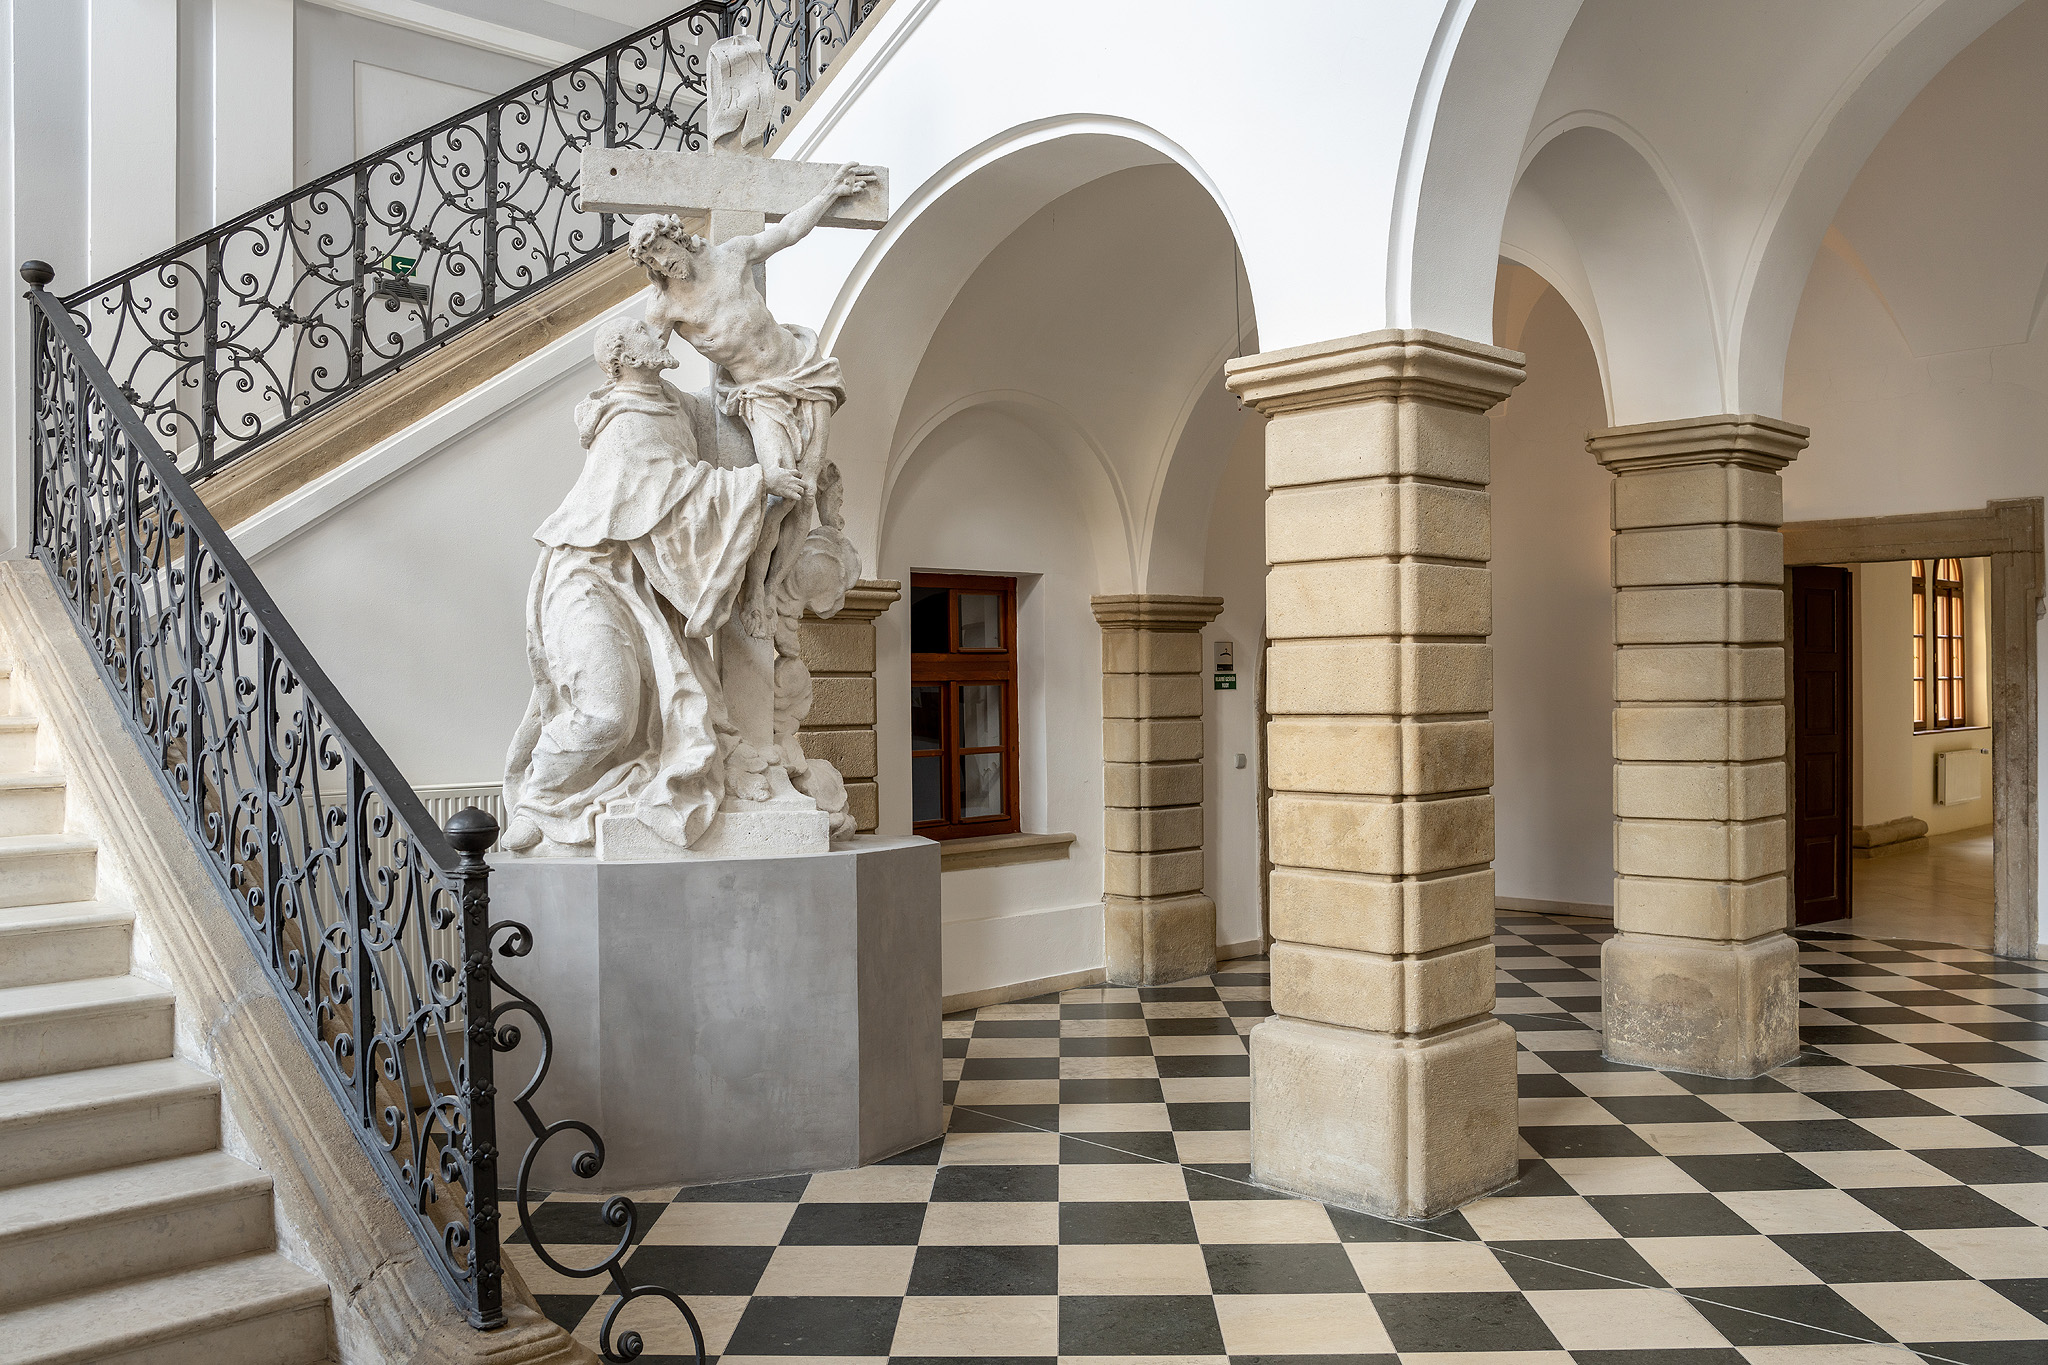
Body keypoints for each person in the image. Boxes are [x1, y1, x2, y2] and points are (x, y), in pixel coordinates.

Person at [501, 317, 806, 854]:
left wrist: (758, 384)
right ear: (623, 358)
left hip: (641, 581)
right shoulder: (625, 419)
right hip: (588, 576)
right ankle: (537, 800)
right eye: (644, 333)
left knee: (679, 708)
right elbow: (669, 490)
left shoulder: (670, 404)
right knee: (605, 714)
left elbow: (716, 419)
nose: (658, 336)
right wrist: (759, 481)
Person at [626, 159, 875, 638]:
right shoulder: (665, 306)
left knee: (805, 491)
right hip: (760, 394)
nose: (662, 262)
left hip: (805, 371)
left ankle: (772, 586)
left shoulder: (731, 256)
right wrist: (624, 398)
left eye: (662, 249)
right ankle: (754, 588)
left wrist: (831, 192)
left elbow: (788, 232)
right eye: (652, 261)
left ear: (676, 238)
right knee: (780, 495)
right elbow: (645, 358)